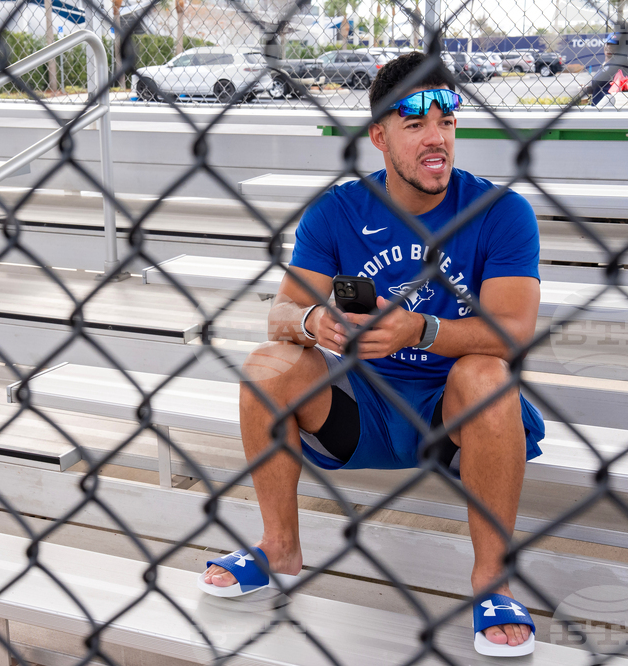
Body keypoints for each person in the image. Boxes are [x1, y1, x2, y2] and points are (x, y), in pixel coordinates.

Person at [197, 51, 545, 658]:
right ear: (379, 136)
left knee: (488, 373)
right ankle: (280, 547)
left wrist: (420, 330)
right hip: (365, 409)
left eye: (447, 120)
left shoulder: (501, 212)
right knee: (266, 366)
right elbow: (279, 316)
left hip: (454, 415)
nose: (437, 137)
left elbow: (514, 331)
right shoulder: (337, 211)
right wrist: (316, 322)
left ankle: (493, 580)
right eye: (416, 125)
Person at [581, 34, 619, 106]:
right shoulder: (604, 65)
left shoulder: (616, 67)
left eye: (614, 45)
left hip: (606, 109)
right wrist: (588, 88)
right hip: (597, 107)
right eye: (608, 44)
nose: (609, 47)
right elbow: (601, 88)